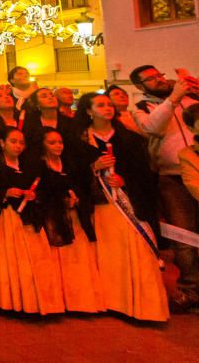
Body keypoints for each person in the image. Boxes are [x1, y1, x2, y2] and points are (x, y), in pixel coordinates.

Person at [78, 92, 169, 321]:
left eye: (109, 105)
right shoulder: (79, 140)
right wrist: (93, 167)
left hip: (129, 204)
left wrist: (125, 181)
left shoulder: (130, 139)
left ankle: (144, 305)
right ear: (88, 111)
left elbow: (145, 175)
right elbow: (72, 173)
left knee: (136, 249)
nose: (107, 108)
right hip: (101, 207)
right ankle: (112, 301)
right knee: (110, 255)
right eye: (100, 105)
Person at [129, 65, 199, 311]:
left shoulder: (191, 98)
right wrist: (173, 98)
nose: (159, 80)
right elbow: (152, 129)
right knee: (185, 236)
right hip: (172, 178)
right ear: (140, 87)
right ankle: (190, 290)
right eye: (151, 79)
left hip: (197, 169)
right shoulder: (141, 108)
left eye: (159, 75)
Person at [0, 128, 63, 315]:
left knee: (35, 258)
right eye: (13, 141)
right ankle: (10, 301)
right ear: (2, 143)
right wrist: (4, 193)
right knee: (10, 259)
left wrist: (35, 194)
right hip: (6, 216)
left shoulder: (31, 166)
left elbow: (48, 187)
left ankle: (37, 302)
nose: (17, 146)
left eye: (21, 143)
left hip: (29, 217)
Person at [37, 128, 105, 314]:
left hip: (75, 218)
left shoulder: (70, 164)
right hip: (52, 220)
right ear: (43, 145)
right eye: (52, 143)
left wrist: (75, 200)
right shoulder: (39, 166)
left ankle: (81, 301)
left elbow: (82, 187)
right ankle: (57, 301)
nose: (58, 146)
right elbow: (40, 193)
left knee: (78, 261)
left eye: (60, 142)